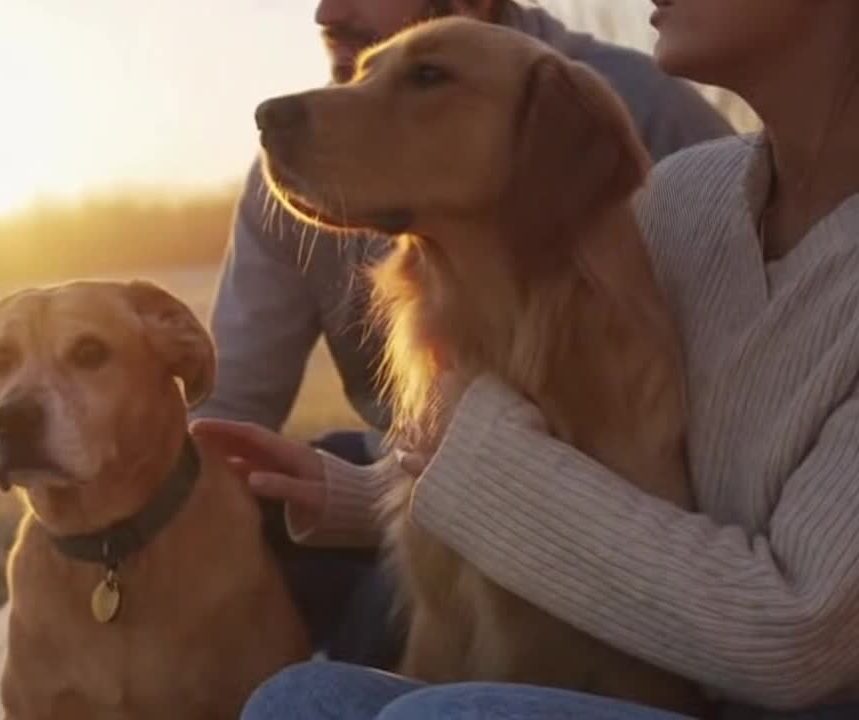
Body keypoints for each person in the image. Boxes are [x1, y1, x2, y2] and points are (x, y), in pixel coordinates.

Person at [192, 0, 859, 717]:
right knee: (300, 698)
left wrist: (471, 451)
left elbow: (794, 641)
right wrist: (372, 491)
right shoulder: (684, 197)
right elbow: (620, 456)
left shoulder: (614, 153)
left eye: (422, 79)